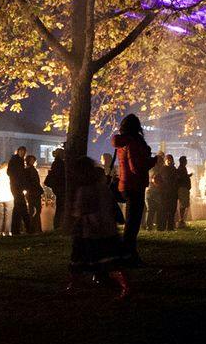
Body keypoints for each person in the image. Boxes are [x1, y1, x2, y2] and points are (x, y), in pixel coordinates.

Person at [66, 156, 131, 297]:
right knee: (95, 257)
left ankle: (124, 286)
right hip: (104, 227)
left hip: (92, 228)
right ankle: (77, 284)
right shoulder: (101, 187)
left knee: (102, 258)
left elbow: (81, 209)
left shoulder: (86, 189)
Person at [113, 113, 153, 264]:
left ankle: (128, 253)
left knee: (131, 220)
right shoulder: (133, 143)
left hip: (126, 184)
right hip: (135, 185)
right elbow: (136, 167)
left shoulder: (123, 143)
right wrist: (152, 161)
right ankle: (128, 254)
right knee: (133, 222)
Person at [7, 146, 31, 235]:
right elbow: (14, 173)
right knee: (21, 207)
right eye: (22, 152)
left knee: (19, 207)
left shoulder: (17, 160)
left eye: (24, 152)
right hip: (17, 187)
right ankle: (26, 228)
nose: (23, 153)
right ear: (19, 152)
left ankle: (17, 229)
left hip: (16, 186)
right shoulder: (17, 161)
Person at [151, 153, 177, 231]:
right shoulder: (162, 169)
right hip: (165, 193)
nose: (169, 161)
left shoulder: (173, 169)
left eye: (170, 160)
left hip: (172, 193)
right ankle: (161, 227)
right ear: (165, 161)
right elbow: (155, 179)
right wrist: (160, 187)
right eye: (168, 160)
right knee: (164, 211)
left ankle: (170, 227)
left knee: (172, 211)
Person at [45, 146, 68, 231]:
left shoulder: (56, 163)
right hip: (60, 188)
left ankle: (58, 225)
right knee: (60, 208)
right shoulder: (60, 164)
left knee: (60, 207)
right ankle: (58, 226)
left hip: (58, 188)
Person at [23, 153, 44, 233]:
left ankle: (34, 228)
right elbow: (34, 182)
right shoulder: (30, 170)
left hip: (32, 192)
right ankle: (35, 228)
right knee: (35, 210)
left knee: (35, 210)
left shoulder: (28, 170)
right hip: (34, 192)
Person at [176, 155, 192, 228]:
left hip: (184, 188)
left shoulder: (182, 168)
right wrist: (188, 176)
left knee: (184, 204)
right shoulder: (181, 169)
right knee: (183, 204)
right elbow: (182, 178)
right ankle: (181, 220)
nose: (186, 162)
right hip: (183, 189)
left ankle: (182, 219)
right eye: (185, 160)